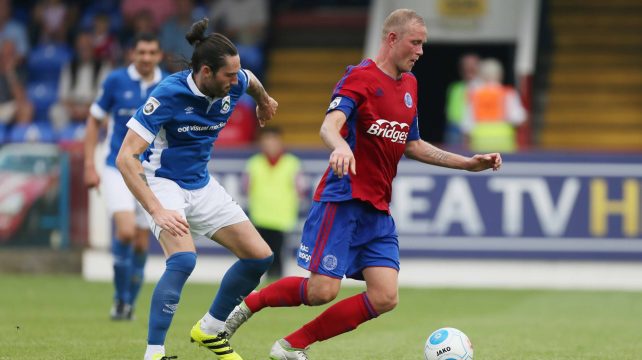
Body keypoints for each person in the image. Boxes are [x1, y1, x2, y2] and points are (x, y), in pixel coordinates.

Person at [222, 9, 502, 360]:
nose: (421, 51)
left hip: (378, 208)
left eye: (423, 44)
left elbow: (411, 144)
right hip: (343, 200)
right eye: (415, 43)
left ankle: (290, 346)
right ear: (392, 39)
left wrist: (466, 163)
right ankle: (244, 308)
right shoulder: (360, 77)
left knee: (385, 296)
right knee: (323, 290)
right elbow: (329, 125)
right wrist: (339, 145)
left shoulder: (410, 86)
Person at [115, 18, 278, 360]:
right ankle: (154, 353)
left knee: (259, 257)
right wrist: (157, 209)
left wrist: (263, 100)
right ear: (206, 72)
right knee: (184, 259)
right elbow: (125, 158)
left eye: (237, 74)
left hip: (201, 184)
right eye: (228, 76)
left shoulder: (234, 82)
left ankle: (209, 329)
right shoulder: (168, 94)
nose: (236, 82)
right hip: (164, 182)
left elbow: (251, 81)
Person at [84, 33, 165, 321]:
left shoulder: (167, 85)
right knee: (126, 232)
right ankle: (120, 299)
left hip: (150, 173)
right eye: (141, 51)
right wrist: (88, 166)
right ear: (133, 53)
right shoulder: (115, 81)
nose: (145, 57)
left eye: (151, 52)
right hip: (116, 167)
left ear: (159, 55)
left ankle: (127, 303)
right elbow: (94, 121)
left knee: (142, 243)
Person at [244, 126, 304, 278]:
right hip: (260, 215)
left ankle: (276, 284)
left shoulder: (292, 163)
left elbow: (300, 189)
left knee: (278, 255)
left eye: (273, 140)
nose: (270, 144)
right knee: (261, 255)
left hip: (282, 218)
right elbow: (246, 188)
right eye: (266, 140)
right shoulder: (254, 163)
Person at [461, 58, 526, 153]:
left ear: (481, 75)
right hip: (504, 142)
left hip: (480, 142)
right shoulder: (508, 93)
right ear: (500, 75)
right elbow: (518, 118)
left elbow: (466, 124)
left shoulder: (474, 95)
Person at [444, 53, 480, 147]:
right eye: (466, 65)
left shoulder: (484, 88)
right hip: (454, 130)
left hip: (476, 130)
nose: (468, 68)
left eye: (472, 65)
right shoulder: (454, 87)